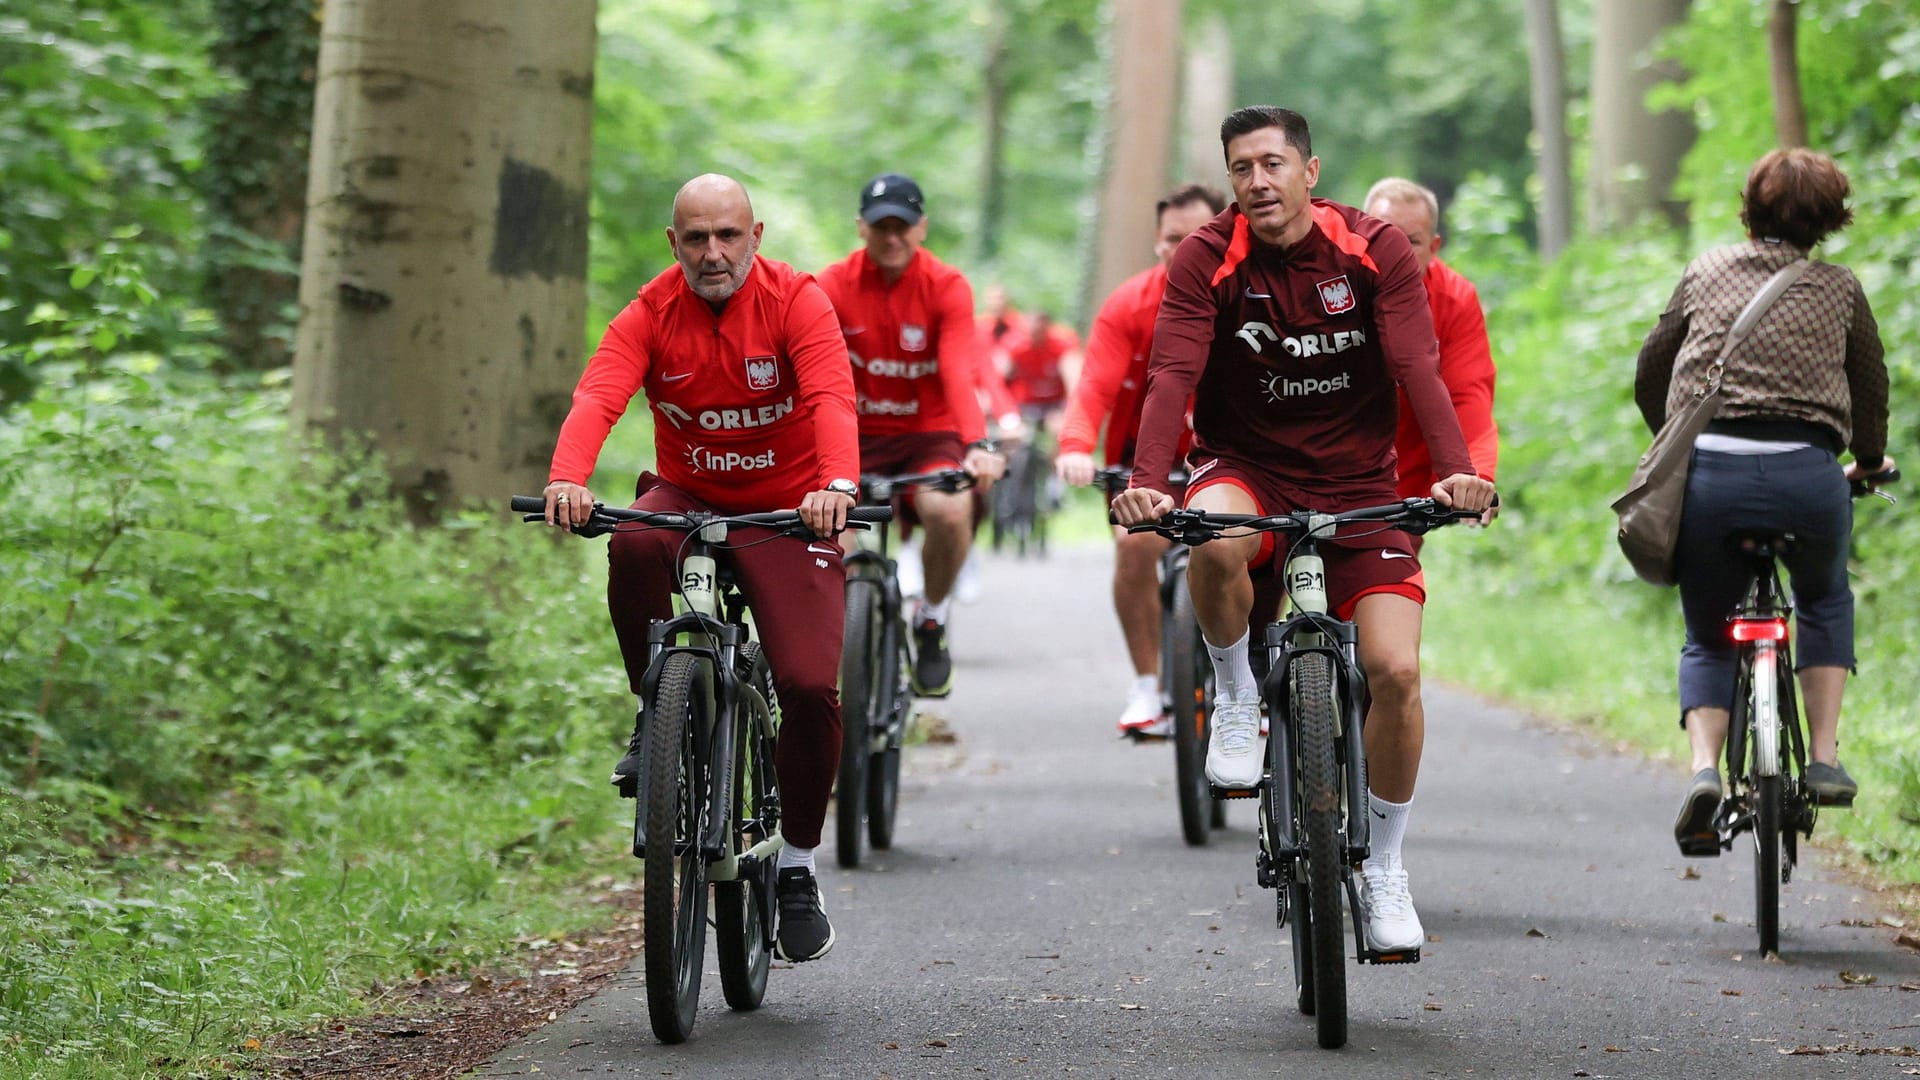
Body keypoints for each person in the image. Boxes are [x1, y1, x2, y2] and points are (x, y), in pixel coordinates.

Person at [1110, 107, 1495, 955]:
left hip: (1360, 484)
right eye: (1242, 167)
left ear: (1310, 174)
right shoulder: (1205, 258)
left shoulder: (1374, 249)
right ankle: (1238, 694)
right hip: (1246, 467)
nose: (1258, 181)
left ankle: (1385, 868)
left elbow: (1416, 367)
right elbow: (1171, 373)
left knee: (1395, 671)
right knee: (1212, 539)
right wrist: (1144, 486)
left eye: (1274, 164)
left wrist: (1458, 469)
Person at [540, 174, 858, 964]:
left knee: (812, 686)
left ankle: (795, 866)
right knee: (636, 539)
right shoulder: (650, 312)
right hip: (688, 495)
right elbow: (598, 396)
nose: (712, 253)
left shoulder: (797, 302)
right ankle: (660, 708)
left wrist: (836, 487)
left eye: (727, 236)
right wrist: (567, 478)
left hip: (790, 511)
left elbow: (830, 400)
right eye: (695, 238)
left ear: (756, 236)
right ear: (673, 243)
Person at [1634, 148, 1891, 854]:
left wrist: (1674, 441)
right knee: (1824, 601)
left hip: (1711, 476)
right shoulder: (1840, 289)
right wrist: (1868, 460)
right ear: (1831, 217)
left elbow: (1653, 368)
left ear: (1750, 206)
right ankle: (1826, 756)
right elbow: (1870, 388)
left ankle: (1704, 771)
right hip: (1808, 478)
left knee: (1709, 633)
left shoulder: (1707, 271)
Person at [816, 173, 1006, 698]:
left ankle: (932, 617)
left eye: (903, 226)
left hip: (928, 435)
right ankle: (833, 655)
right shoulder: (830, 286)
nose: (892, 237)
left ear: (921, 228)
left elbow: (957, 375)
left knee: (949, 511)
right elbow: (810, 370)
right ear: (861, 229)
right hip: (851, 436)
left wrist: (976, 445)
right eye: (881, 227)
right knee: (824, 541)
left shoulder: (946, 286)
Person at [1056, 182, 1228, 735]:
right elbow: (1094, 387)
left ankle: (1243, 683)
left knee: (1247, 554)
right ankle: (1147, 685)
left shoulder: (1247, 296)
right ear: (1157, 243)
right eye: (1172, 239)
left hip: (1226, 459)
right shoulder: (1129, 304)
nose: (1183, 250)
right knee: (1135, 547)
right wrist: (1076, 448)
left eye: (1196, 238)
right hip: (1142, 463)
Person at [1361, 178, 1500, 519]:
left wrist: (1474, 478)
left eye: (1411, 241)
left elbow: (1469, 395)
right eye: (1384, 238)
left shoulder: (1454, 300)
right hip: (1318, 469)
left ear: (1434, 247)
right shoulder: (1327, 289)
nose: (1395, 253)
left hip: (1405, 481)